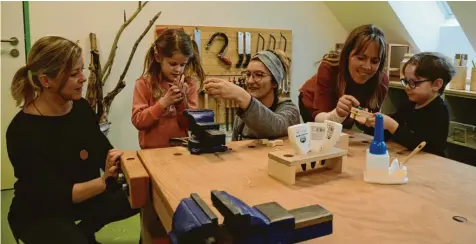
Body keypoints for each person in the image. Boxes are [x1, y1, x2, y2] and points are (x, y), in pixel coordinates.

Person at [6, 36, 138, 244]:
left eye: (82, 71)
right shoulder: (22, 131)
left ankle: (85, 231)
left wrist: (123, 163)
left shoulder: (81, 108)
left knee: (145, 194)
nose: (83, 79)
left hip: (86, 196)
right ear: (45, 80)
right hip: (40, 212)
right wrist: (104, 182)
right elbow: (53, 196)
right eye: (74, 74)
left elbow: (103, 150)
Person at [298, 24, 389, 133]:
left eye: (374, 61)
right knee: (323, 136)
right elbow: (319, 119)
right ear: (347, 55)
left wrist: (366, 120)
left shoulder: (382, 81)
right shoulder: (329, 68)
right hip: (313, 106)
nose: (367, 67)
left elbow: (368, 126)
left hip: (342, 116)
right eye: (360, 58)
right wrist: (336, 115)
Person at [363, 52, 455, 157]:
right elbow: (388, 134)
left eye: (414, 83)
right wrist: (373, 124)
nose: (407, 87)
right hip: (408, 158)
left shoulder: (439, 111)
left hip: (429, 164)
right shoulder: (408, 105)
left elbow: (420, 145)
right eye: (405, 81)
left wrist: (392, 126)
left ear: (436, 85)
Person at [204, 49, 300, 140]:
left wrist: (241, 96)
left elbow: (274, 128)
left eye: (259, 75)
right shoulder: (245, 111)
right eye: (248, 74)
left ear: (274, 82)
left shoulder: (290, 110)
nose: (250, 81)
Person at [132, 28, 205, 149]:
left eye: (183, 64)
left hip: (181, 150)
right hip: (151, 153)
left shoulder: (189, 84)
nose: (178, 70)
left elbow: (189, 125)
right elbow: (139, 121)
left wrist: (182, 102)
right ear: (158, 57)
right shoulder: (144, 84)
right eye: (173, 64)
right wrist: (164, 102)